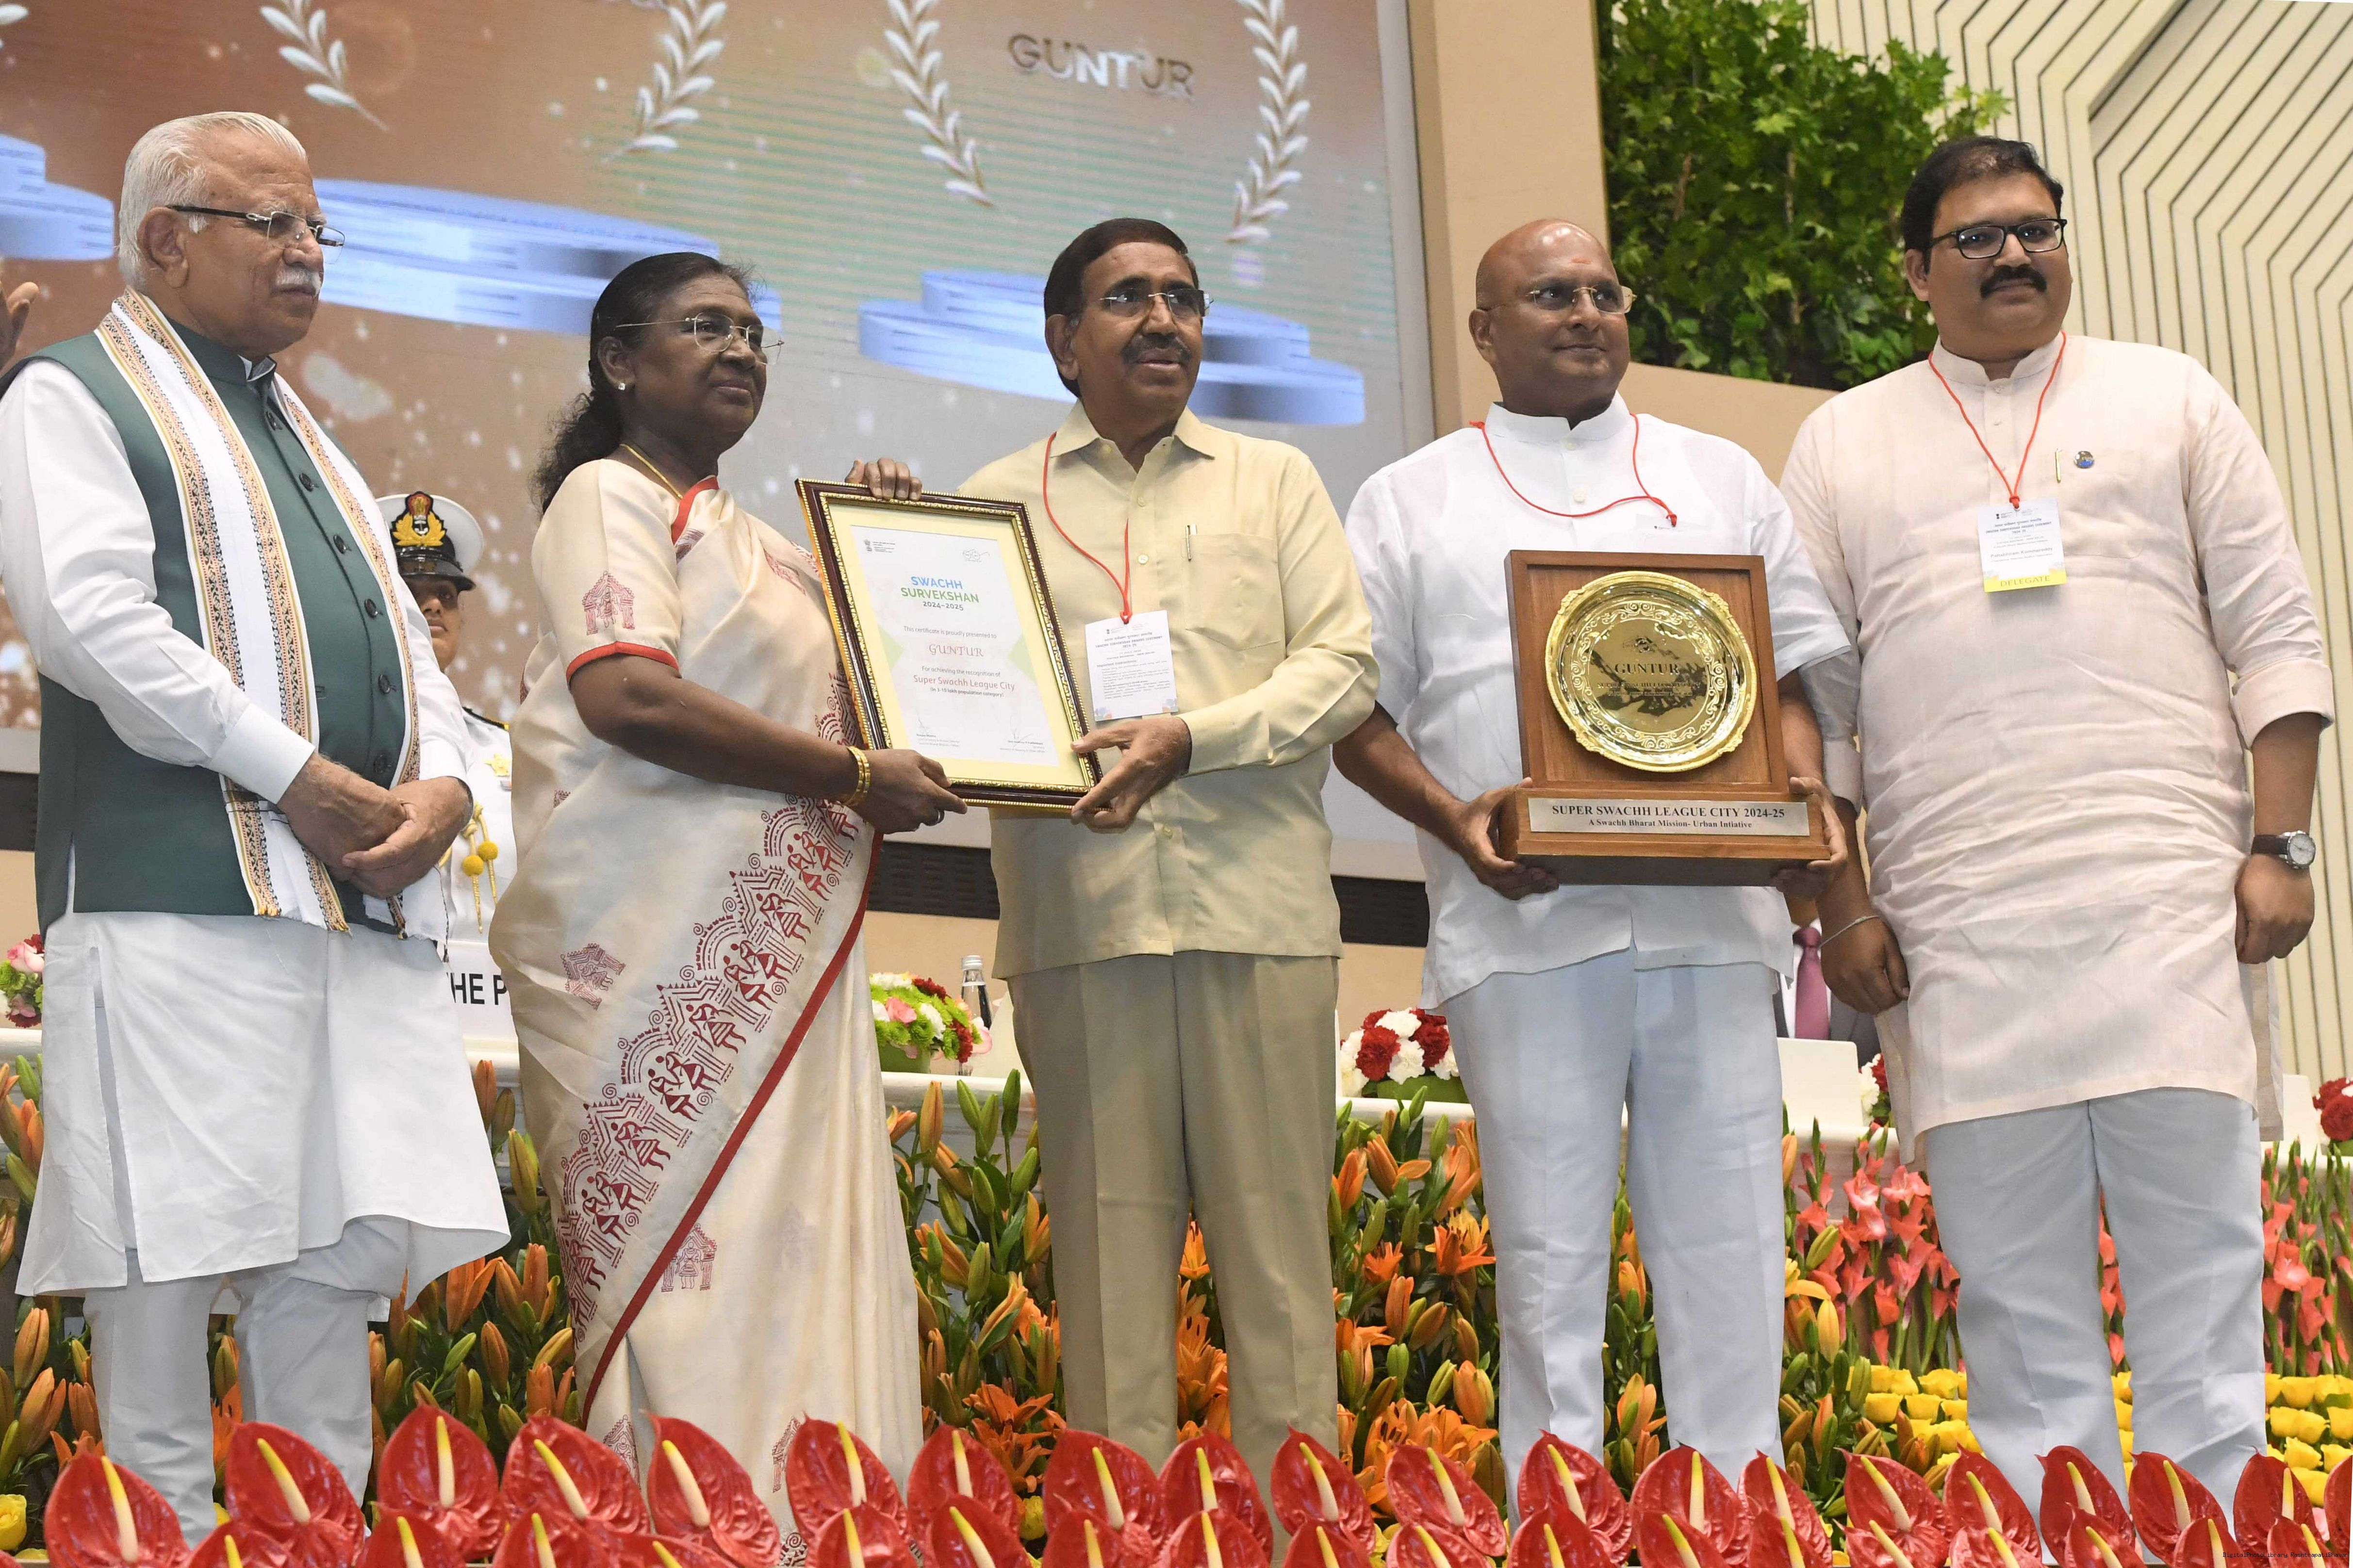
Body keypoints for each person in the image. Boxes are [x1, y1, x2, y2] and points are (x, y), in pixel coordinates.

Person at [1787, 136, 2333, 1511]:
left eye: (2035, 228)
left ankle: (2214, 1536)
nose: (2013, 254)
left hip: (2169, 904)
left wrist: (2279, 848)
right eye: (1975, 237)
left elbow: (2275, 634)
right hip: (1957, 928)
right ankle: (2049, 1535)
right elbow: (1812, 704)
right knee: (2016, 1304)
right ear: (1913, 273)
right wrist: (1843, 903)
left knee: (2201, 1277)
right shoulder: (1844, 438)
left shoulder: (2170, 395)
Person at [0, 112, 507, 1535]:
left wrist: (447, 783)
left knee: (329, 1263)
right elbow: (89, 623)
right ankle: (152, 1542)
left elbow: (406, 644)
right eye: (271, 224)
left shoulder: (298, 425)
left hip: (350, 914)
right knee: (162, 1263)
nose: (307, 255)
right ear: (166, 239)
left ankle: (314, 1538)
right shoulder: (71, 395)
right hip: (176, 911)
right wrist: (298, 775)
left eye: (315, 228)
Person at [1333, 219, 1849, 1490]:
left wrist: (1802, 800)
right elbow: (1352, 710)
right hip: (1526, 924)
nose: (1584, 313)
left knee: (1730, 1252)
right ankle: (1557, 1522)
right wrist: (1454, 820)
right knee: (1549, 1264)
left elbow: (1788, 679)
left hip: (1715, 928)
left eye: (1604, 292)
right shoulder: (1408, 496)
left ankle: (1731, 1522)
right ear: (1482, 330)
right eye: (1550, 294)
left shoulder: (1719, 475)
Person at [882, 217, 1376, 1486]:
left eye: (1183, 298)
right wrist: (891, 553)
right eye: (1128, 298)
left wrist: (1191, 739)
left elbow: (1341, 668)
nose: (1164, 320)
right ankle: (1123, 1533)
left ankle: (1296, 1538)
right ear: (1064, 341)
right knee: (1106, 1278)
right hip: (1082, 919)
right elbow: (934, 691)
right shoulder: (990, 500)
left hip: (1257, 916)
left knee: (1280, 1273)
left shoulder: (1275, 480)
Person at [490, 252, 961, 1510]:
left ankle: (813, 1517)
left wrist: (888, 551)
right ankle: (695, 1521)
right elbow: (627, 695)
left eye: (754, 331)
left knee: (797, 1249)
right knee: (694, 1274)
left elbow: (881, 712)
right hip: (650, 973)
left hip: (787, 974)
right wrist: (852, 776)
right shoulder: (608, 493)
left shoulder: (772, 549)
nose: (740, 349)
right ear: (620, 360)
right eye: (705, 326)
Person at [388, 490, 511, 941]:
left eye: (445, 594)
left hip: (496, 977)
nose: (434, 606)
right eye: (411, 593)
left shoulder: (508, 748)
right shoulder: (341, 741)